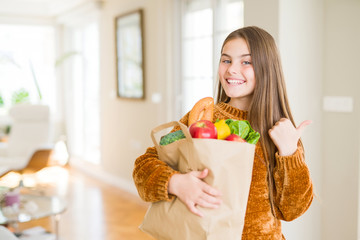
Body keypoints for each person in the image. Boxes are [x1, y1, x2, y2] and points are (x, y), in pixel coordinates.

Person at [133, 26, 313, 239]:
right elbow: (144, 165)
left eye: (246, 62)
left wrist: (289, 153)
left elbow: (292, 210)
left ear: (267, 68)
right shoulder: (203, 118)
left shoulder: (282, 132)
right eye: (226, 60)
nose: (231, 70)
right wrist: (175, 183)